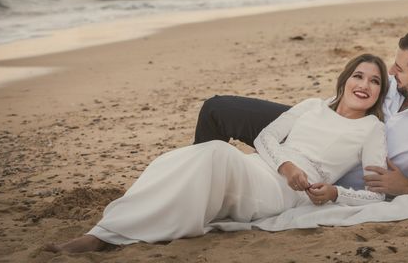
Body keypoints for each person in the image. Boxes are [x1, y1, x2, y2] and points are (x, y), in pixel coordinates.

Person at [47, 54, 389, 253]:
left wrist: (333, 193)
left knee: (213, 153)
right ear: (344, 80)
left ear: (379, 93)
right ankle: (108, 228)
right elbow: (268, 137)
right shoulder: (311, 106)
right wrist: (284, 163)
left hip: (287, 192)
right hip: (262, 166)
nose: (364, 84)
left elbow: (375, 196)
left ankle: (102, 239)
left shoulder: (372, 130)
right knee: (178, 160)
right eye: (358, 75)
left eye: (375, 82)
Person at [195, 28, 408, 202]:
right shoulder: (396, 85)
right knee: (217, 109)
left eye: (399, 69)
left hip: (332, 174)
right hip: (314, 133)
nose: (391, 72)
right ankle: (200, 192)